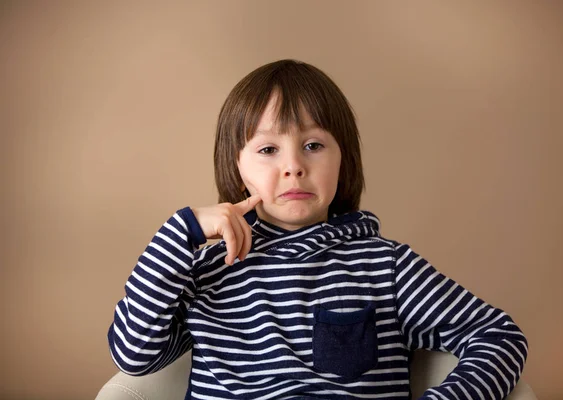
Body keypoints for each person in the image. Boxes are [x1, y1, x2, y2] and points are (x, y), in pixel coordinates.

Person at [107, 59, 528, 400]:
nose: (293, 165)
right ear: (237, 168)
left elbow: (497, 335)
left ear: (343, 161)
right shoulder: (205, 270)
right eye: (268, 149)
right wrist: (181, 233)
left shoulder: (387, 267)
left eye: (313, 145)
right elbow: (133, 356)